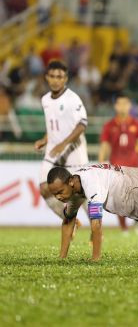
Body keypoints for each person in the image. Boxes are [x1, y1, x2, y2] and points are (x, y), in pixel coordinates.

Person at [34, 61, 89, 225]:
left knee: (83, 191)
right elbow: (53, 124)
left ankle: (96, 226)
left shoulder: (73, 99)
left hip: (73, 151)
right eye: (52, 76)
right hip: (53, 151)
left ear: (65, 79)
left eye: (60, 76)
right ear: (47, 77)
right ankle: (69, 220)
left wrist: (64, 144)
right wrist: (45, 140)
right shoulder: (45, 100)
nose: (56, 80)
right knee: (45, 188)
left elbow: (82, 125)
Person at [98, 94, 138, 232]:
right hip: (116, 166)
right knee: (118, 197)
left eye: (125, 104)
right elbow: (104, 145)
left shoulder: (137, 124)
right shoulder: (109, 125)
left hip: (133, 165)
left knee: (137, 196)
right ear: (115, 106)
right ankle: (124, 228)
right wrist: (101, 162)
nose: (123, 107)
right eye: (120, 104)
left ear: (130, 106)